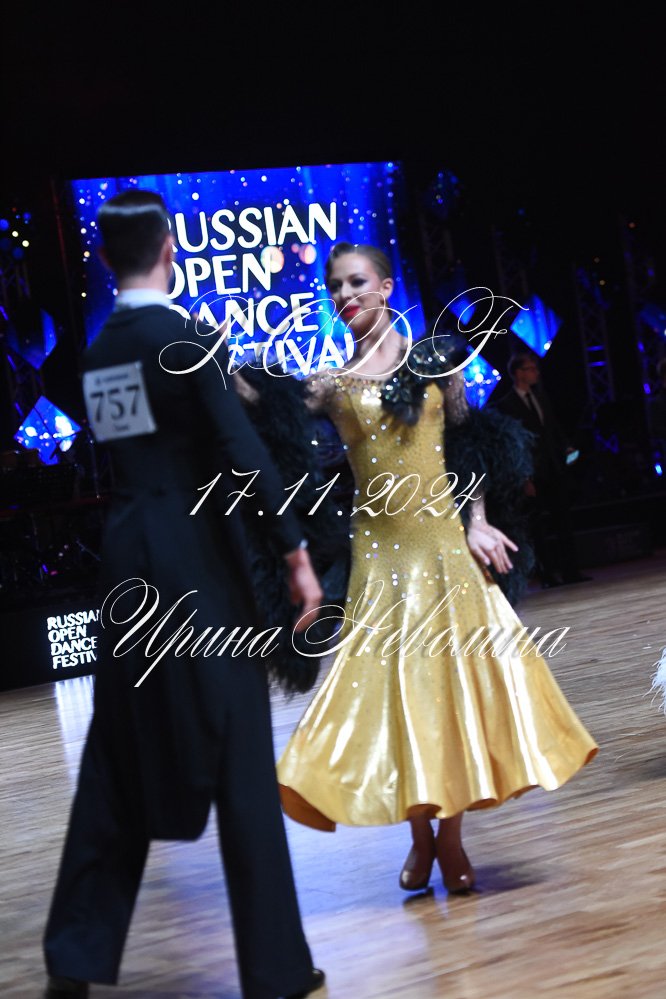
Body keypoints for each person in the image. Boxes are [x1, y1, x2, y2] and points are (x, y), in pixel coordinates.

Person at [43, 191, 324, 999]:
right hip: (197, 569)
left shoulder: (101, 351)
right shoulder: (184, 339)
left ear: (105, 258)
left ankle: (74, 959)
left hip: (128, 564)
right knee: (241, 758)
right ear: (171, 248)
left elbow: (133, 451)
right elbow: (240, 450)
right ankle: (276, 970)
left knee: (116, 756)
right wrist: (295, 551)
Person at [277, 242, 597, 895]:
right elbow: (265, 409)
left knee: (449, 696)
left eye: (357, 282)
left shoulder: (435, 363)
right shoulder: (332, 384)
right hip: (379, 559)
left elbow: (466, 445)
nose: (346, 295)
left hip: (443, 549)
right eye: (335, 286)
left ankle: (448, 840)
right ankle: (421, 838)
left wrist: (476, 519)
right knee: (398, 701)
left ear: (385, 287)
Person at [494, 350, 589, 586]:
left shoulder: (541, 397)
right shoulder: (506, 405)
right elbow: (512, 443)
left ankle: (570, 570)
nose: (536, 372)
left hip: (553, 467)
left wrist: (566, 447)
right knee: (538, 526)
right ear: (518, 373)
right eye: (531, 369)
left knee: (563, 520)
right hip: (531, 472)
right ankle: (547, 574)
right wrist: (524, 477)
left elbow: (553, 428)